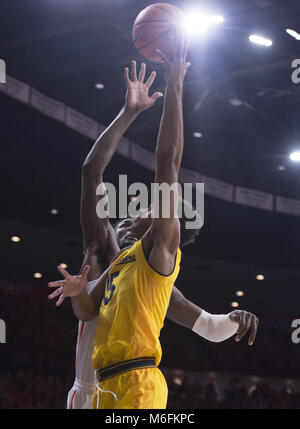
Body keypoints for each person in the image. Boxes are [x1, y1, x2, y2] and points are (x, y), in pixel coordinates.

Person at [49, 33, 259, 409]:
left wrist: (234, 318)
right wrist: (129, 112)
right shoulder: (104, 256)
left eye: (145, 213)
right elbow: (90, 171)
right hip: (91, 391)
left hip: (130, 386)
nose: (132, 215)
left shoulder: (155, 269)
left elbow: (168, 165)